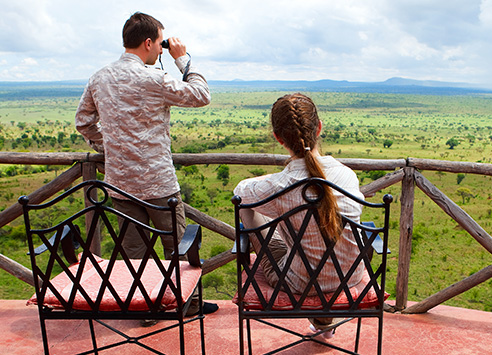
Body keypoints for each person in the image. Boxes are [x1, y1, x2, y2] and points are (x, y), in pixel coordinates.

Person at [75, 12, 217, 319]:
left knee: (134, 255)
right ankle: (188, 305)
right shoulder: (153, 79)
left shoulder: (99, 77)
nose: (161, 50)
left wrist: (110, 146)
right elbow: (201, 95)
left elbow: (83, 122)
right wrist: (183, 60)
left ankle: (145, 307)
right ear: (149, 42)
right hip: (159, 184)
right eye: (160, 44)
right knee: (179, 250)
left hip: (120, 184)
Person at [233, 93, 364, 336]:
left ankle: (322, 320)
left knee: (249, 207)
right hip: (350, 277)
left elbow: (239, 193)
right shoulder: (347, 175)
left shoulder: (281, 185)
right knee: (313, 236)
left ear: (278, 138)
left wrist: (273, 179)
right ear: (319, 128)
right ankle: (324, 323)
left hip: (298, 284)